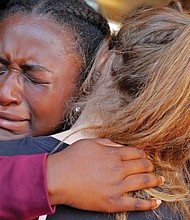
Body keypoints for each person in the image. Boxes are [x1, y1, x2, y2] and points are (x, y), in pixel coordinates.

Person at [6, 1, 188, 219]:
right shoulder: (175, 204)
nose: (6, 93)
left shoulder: (17, 160)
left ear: (101, 61)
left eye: (35, 78)